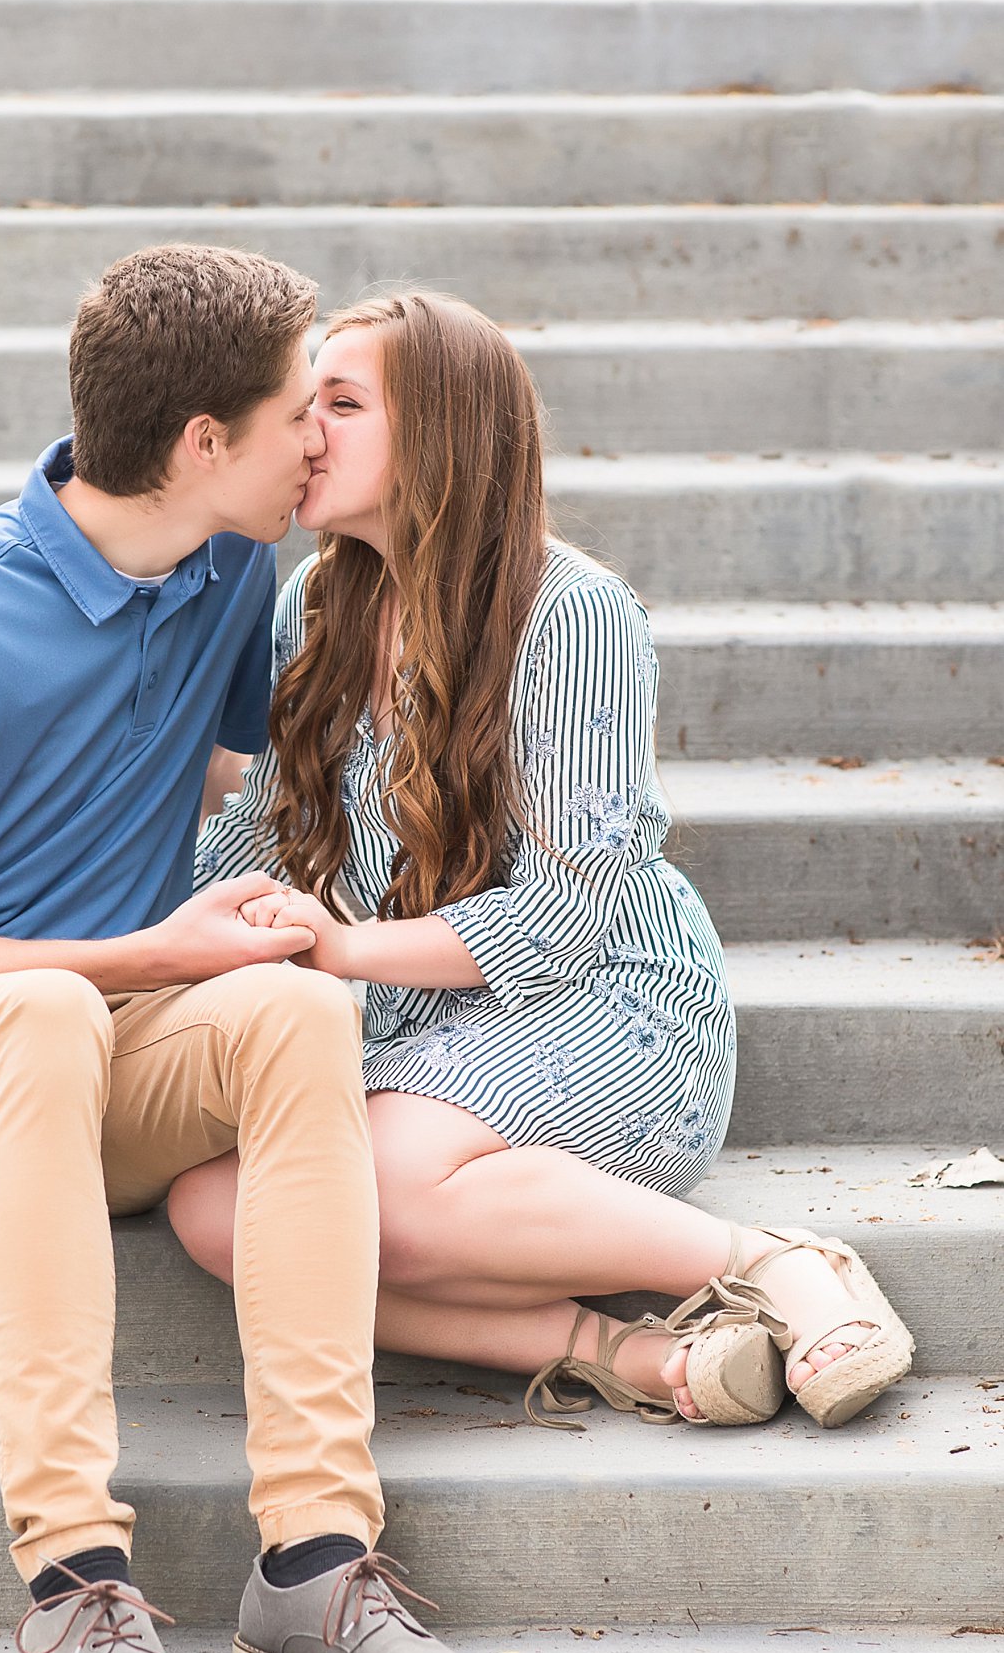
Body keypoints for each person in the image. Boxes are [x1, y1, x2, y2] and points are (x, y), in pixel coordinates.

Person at [0, 248, 508, 1653]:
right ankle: (72, 1575)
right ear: (203, 446)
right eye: (293, 416)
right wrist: (140, 953)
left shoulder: (227, 575)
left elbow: (295, 772)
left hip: (103, 1053)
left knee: (295, 1015)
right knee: (51, 1011)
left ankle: (313, 1567)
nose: (318, 441)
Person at [172, 289, 916, 1435]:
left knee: (381, 1188)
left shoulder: (572, 612)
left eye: (343, 401)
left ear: (443, 433)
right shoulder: (315, 601)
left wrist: (345, 945)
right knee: (217, 1209)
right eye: (306, 402)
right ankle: (632, 1354)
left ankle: (772, 1261)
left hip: (607, 1006)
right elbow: (272, 821)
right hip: (409, 1024)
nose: (309, 430)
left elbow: (571, 908)